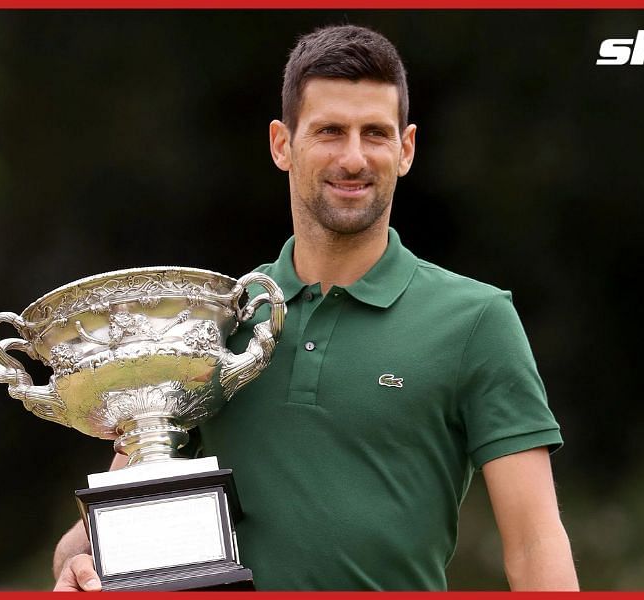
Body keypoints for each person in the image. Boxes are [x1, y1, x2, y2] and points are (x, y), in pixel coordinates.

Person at [51, 24, 576, 590]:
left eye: (375, 133)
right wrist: (78, 564)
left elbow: (535, 542)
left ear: (406, 149)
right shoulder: (213, 322)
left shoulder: (477, 321)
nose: (353, 158)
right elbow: (99, 528)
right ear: (282, 144)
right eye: (329, 131)